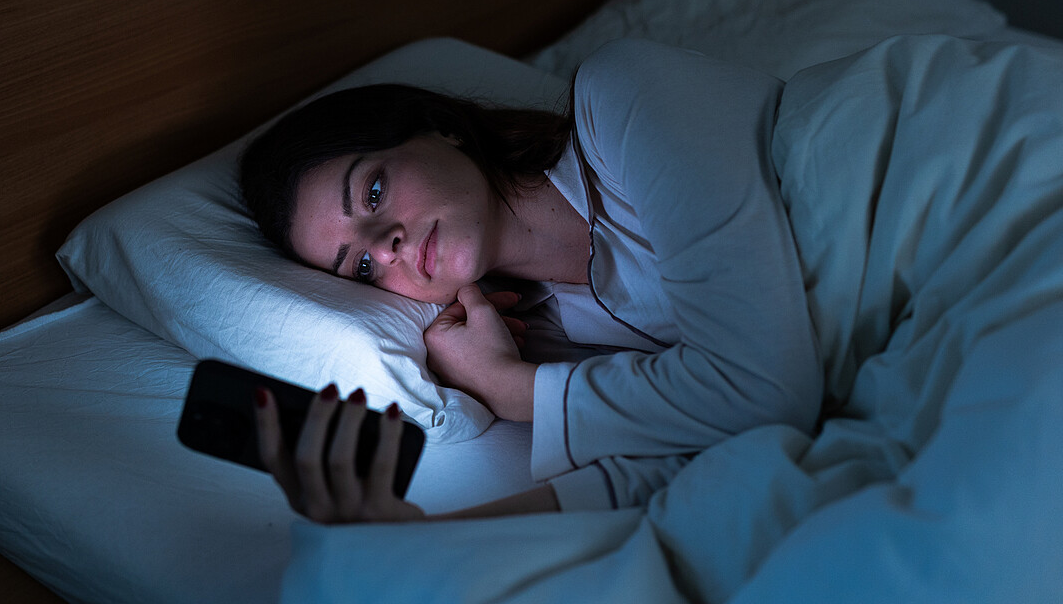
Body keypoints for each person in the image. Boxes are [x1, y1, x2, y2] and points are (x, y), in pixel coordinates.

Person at [239, 38, 823, 523]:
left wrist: (515, 390)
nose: (385, 244)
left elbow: (766, 389)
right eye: (361, 266)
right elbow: (687, 455)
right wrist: (415, 534)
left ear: (443, 129)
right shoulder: (537, 333)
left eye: (372, 192)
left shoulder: (621, 96)